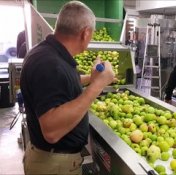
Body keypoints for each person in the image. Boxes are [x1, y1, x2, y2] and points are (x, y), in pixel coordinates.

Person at [20, 1, 115, 174]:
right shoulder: (49, 63)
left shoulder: (50, 54)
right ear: (85, 33)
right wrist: (97, 85)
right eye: (91, 34)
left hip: (53, 160)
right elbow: (51, 131)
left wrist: (91, 78)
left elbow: (63, 82)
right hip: (53, 165)